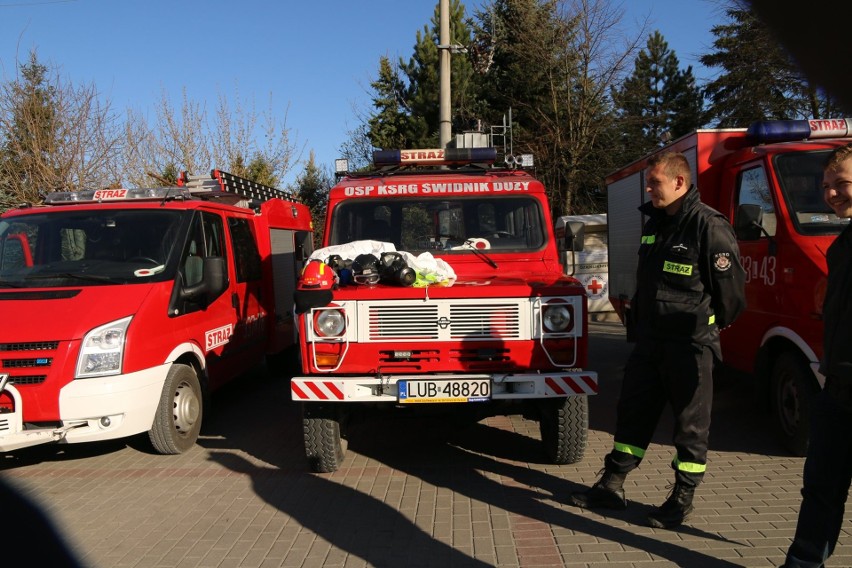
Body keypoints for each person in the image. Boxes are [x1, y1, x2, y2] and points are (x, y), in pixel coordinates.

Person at [569, 151, 746, 529]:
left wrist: (702, 326)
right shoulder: (655, 223)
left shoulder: (707, 226)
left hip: (689, 346)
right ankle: (612, 484)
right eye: (648, 183)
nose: (649, 189)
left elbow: (731, 299)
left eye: (655, 183)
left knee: (690, 426)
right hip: (650, 344)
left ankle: (681, 499)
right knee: (633, 413)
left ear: (680, 182)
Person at [782, 143, 852, 567]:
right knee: (821, 487)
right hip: (838, 388)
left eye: (841, 183)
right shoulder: (842, 245)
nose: (830, 194)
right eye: (826, 186)